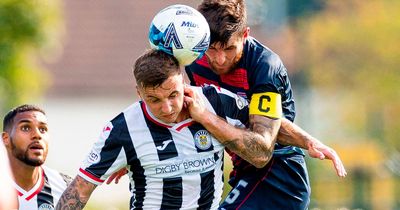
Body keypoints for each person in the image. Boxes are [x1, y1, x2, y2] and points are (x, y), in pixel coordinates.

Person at [56, 49, 281, 210]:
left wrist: (308, 142)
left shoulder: (214, 101)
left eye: (173, 95)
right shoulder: (123, 129)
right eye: (154, 99)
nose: (167, 107)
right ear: (139, 93)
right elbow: (80, 189)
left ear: (183, 83)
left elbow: (263, 146)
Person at [184, 0, 347, 209]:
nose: (220, 59)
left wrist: (204, 116)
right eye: (212, 49)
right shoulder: (194, 60)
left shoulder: (264, 66)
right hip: (243, 173)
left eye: (229, 48)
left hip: (279, 178)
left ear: (245, 35)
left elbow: (261, 151)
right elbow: (240, 112)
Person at [2, 104, 72, 210]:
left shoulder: (65, 187)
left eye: (43, 129)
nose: (37, 135)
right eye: (25, 128)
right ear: (5, 139)